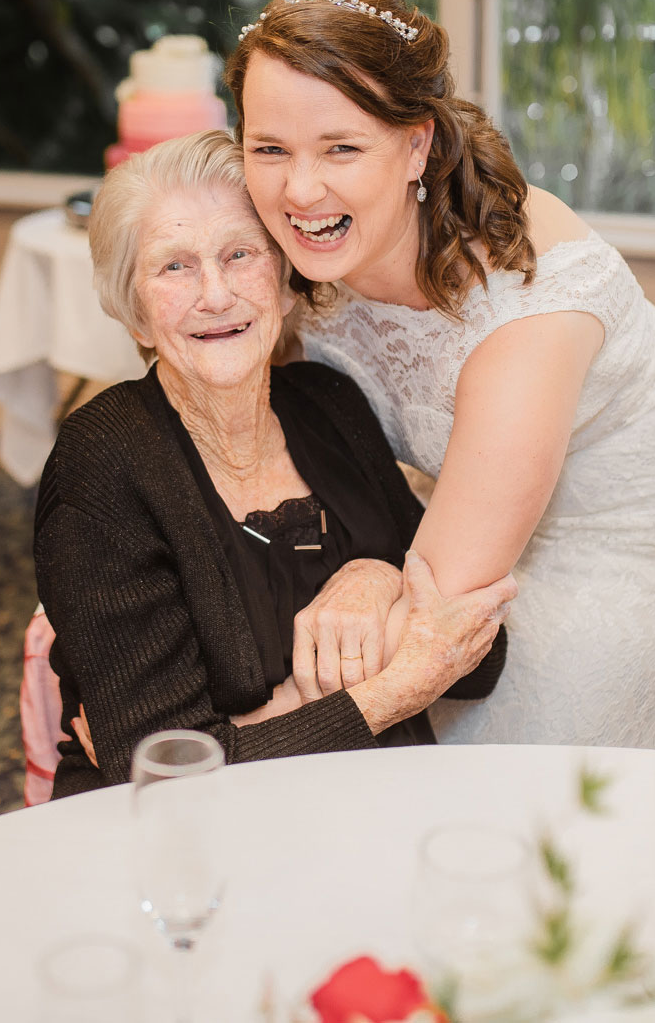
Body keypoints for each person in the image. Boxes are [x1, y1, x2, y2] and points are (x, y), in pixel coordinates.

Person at [225, 0, 655, 747]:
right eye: (269, 148)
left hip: (606, 536)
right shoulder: (295, 240)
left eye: (341, 147)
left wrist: (210, 740)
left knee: (508, 789)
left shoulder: (527, 309)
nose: (300, 189)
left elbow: (443, 612)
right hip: (432, 510)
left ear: (417, 144)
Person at [34, 131, 516, 796]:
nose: (215, 293)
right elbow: (169, 776)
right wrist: (399, 686)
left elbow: (479, 652)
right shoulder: (103, 462)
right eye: (174, 266)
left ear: (286, 281)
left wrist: (378, 577)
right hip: (188, 853)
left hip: (369, 816)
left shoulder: (331, 407)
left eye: (240, 254)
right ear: (136, 315)